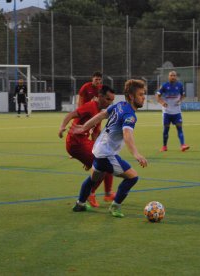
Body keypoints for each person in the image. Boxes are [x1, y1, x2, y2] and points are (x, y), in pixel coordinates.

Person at [71, 79, 148, 218]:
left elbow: (101, 115)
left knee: (94, 178)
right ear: (131, 96)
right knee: (132, 177)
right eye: (141, 94)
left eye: (144, 94)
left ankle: (80, 203)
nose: (144, 97)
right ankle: (115, 206)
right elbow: (127, 134)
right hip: (106, 153)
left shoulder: (120, 105)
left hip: (98, 149)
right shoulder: (129, 114)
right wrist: (136, 154)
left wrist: (84, 127)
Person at [58, 85, 116, 207]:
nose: (110, 103)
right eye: (108, 99)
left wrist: (95, 151)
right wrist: (62, 127)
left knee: (108, 158)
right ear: (100, 96)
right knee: (103, 165)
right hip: (75, 143)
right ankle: (91, 194)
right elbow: (71, 114)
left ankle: (108, 193)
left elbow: (95, 133)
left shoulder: (100, 112)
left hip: (83, 142)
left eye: (112, 100)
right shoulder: (91, 106)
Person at [156, 70, 190, 152]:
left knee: (179, 128)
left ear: (176, 77)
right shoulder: (164, 85)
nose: (173, 77)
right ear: (169, 77)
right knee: (166, 129)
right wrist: (162, 102)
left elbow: (183, 95)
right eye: (171, 75)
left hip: (177, 112)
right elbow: (158, 96)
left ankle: (183, 145)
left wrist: (180, 101)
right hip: (167, 112)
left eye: (174, 75)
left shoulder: (180, 85)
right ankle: (164, 146)